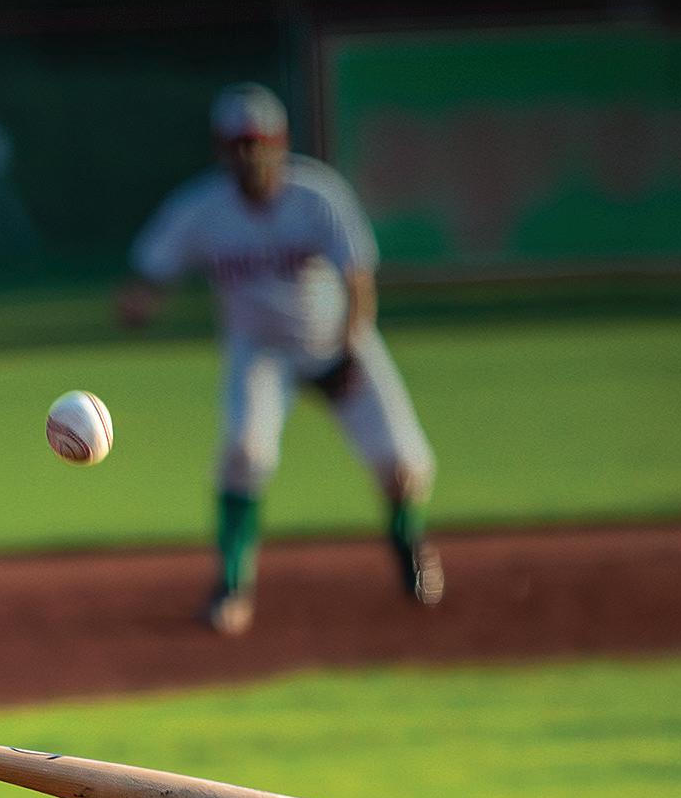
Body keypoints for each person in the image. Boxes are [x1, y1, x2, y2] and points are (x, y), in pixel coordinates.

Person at [117, 83, 441, 634]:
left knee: (404, 463)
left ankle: (409, 546)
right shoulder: (202, 209)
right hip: (259, 353)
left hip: (337, 341)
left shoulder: (318, 196)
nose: (249, 154)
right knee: (245, 451)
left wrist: (348, 350)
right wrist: (139, 302)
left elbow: (358, 283)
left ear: (280, 142)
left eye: (258, 142)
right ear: (221, 149)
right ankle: (231, 586)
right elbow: (150, 272)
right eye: (237, 143)